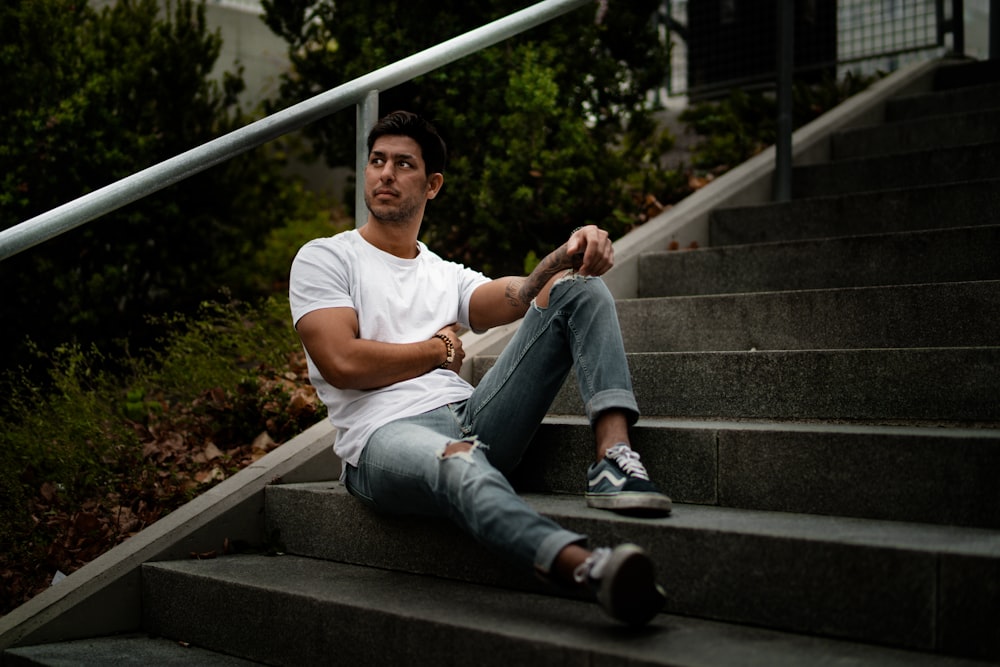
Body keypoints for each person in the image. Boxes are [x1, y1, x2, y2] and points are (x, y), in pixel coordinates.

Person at [289, 110, 672, 626]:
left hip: (472, 414)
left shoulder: (442, 272)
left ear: (433, 185)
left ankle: (614, 456)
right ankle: (588, 568)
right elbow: (342, 362)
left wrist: (566, 253)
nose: (385, 174)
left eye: (404, 164)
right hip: (383, 439)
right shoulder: (326, 259)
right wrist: (438, 352)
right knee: (460, 461)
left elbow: (518, 296)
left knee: (578, 288)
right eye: (377, 161)